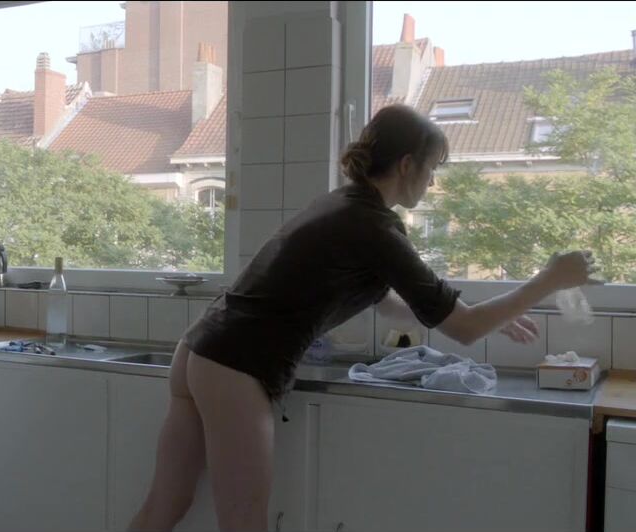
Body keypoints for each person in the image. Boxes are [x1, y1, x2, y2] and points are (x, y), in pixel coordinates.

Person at [127, 104, 600, 532]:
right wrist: (550, 279)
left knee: (166, 505)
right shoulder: (375, 227)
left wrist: (490, 316)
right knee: (244, 523)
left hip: (200, 349)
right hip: (236, 363)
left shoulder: (343, 203)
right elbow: (464, 329)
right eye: (432, 168)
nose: (433, 182)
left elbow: (392, 304)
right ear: (407, 165)